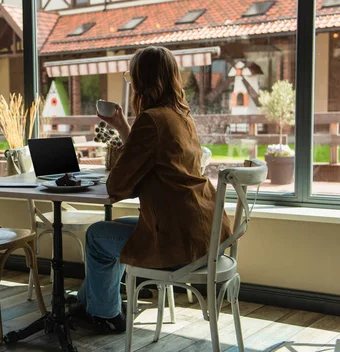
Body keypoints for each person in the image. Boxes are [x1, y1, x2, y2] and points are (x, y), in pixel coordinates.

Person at [74, 46, 232, 333]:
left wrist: (127, 146)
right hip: (204, 231)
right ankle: (89, 304)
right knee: (113, 230)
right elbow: (159, 163)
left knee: (97, 236)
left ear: (142, 81)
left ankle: (105, 316)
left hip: (177, 239)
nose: (131, 84)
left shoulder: (151, 120)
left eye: (131, 77)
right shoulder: (181, 115)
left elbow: (117, 185)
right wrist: (123, 126)